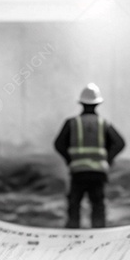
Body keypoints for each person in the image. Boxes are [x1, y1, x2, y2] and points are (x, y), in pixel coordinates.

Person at [53, 83, 125, 228]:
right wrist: (107, 160)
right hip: (98, 173)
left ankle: (72, 238)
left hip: (78, 172)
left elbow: (58, 144)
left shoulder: (72, 123)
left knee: (74, 205)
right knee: (97, 205)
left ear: (81, 103)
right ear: (98, 103)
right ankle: (99, 238)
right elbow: (119, 143)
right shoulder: (104, 123)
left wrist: (70, 160)